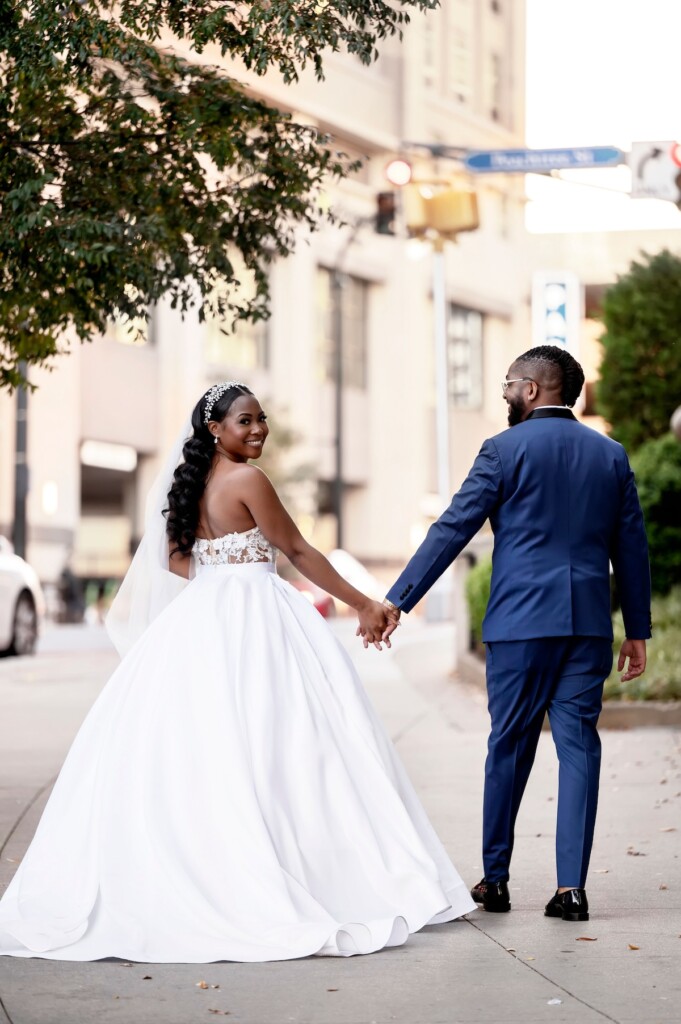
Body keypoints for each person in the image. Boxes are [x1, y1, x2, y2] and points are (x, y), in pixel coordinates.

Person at [0, 381, 475, 963]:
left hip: (199, 620)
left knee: (213, 749)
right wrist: (365, 603)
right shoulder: (248, 481)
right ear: (215, 430)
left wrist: (219, 575)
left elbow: (177, 564)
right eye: (245, 421)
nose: (258, 430)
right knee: (295, 744)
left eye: (261, 419)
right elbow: (297, 551)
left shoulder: (186, 487)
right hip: (258, 615)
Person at [382, 346, 651, 923]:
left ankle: (496, 880)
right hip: (586, 626)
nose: (504, 394)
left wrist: (398, 599)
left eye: (508, 384)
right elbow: (631, 548)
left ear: (532, 389)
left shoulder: (502, 451)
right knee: (579, 747)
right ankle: (571, 889)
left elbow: (454, 527)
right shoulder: (611, 456)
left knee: (509, 743)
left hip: (520, 624)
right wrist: (637, 629)